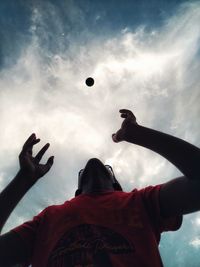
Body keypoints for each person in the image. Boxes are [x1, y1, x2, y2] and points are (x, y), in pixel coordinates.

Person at [0, 109, 200, 267]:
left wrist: (139, 134)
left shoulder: (141, 201)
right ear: (77, 190)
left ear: (117, 185)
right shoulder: (47, 219)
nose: (94, 163)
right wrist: (22, 180)